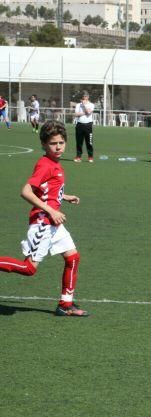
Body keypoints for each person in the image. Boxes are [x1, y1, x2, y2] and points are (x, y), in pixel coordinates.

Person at [0, 120, 89, 317]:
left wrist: (64, 197)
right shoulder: (45, 165)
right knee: (29, 268)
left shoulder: (55, 164)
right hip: (43, 222)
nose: (58, 147)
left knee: (73, 257)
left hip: (54, 223)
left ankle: (65, 305)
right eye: (52, 143)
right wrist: (52, 210)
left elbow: (47, 190)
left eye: (61, 142)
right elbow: (26, 191)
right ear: (43, 144)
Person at [73, 92, 94, 163]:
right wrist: (84, 113)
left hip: (88, 125)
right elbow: (76, 114)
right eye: (83, 96)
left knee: (89, 142)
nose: (84, 97)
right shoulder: (78, 105)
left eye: (85, 96)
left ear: (88, 97)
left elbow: (89, 112)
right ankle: (78, 156)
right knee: (79, 142)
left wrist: (84, 105)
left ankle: (90, 157)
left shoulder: (91, 105)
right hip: (79, 125)